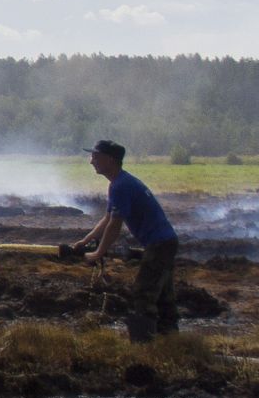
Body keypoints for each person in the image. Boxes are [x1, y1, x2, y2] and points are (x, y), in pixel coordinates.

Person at [69, 139, 180, 342]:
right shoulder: (119, 183)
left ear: (109, 160)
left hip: (159, 244)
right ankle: (171, 341)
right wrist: (86, 240)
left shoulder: (121, 186)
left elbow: (115, 225)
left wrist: (98, 253)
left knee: (143, 293)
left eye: (95, 157)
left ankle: (143, 345)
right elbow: (108, 218)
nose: (91, 161)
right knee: (163, 295)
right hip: (164, 243)